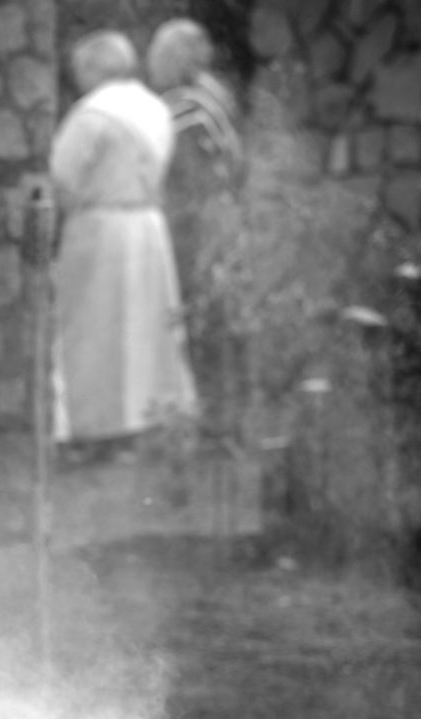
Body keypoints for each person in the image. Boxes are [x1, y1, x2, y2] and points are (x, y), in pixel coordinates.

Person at [50, 30, 198, 447]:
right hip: (148, 228)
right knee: (145, 330)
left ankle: (95, 427)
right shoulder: (155, 107)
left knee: (94, 330)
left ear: (91, 68)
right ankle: (148, 421)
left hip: (99, 232)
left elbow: (61, 176)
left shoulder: (92, 113)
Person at [148, 18, 245, 435]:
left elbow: (187, 181)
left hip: (193, 232)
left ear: (170, 59)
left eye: (157, 55)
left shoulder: (185, 107)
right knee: (216, 323)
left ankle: (208, 424)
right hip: (219, 225)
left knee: (196, 322)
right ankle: (220, 419)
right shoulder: (214, 98)